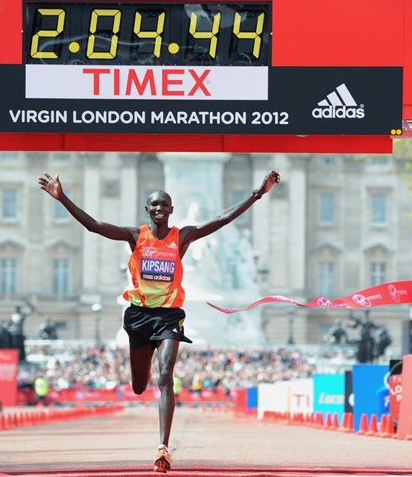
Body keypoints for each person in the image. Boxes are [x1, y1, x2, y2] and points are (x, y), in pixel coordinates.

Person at [38, 168, 280, 473]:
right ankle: (142, 378)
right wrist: (62, 198)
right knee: (140, 385)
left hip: (169, 316)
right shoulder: (135, 236)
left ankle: (163, 447)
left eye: (164, 205)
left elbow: (222, 220)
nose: (159, 209)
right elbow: (94, 226)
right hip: (139, 316)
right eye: (154, 205)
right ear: (147, 210)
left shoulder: (183, 237)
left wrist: (259, 192)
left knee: (166, 374)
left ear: (171, 210)